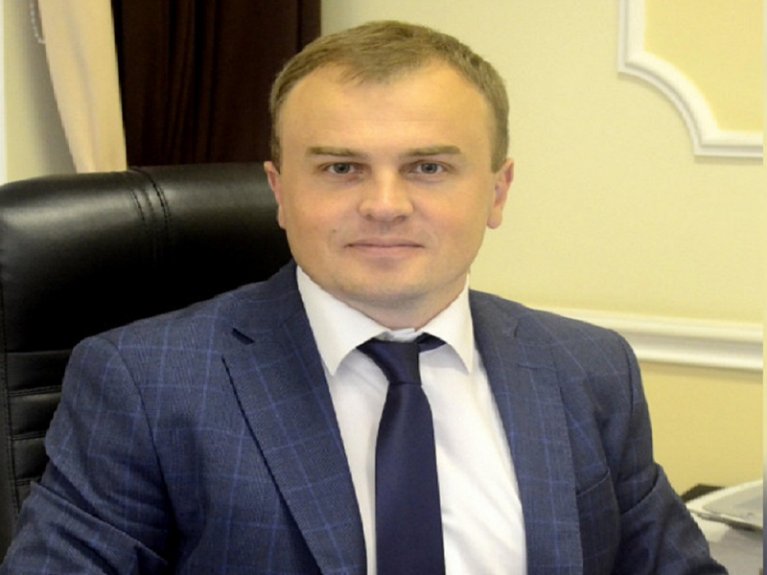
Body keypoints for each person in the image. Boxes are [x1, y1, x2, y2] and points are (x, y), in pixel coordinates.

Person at [1, 20, 724, 575]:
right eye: (341, 167)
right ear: (280, 190)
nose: (384, 205)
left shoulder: (587, 368)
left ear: (497, 191)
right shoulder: (145, 382)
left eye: (428, 167)